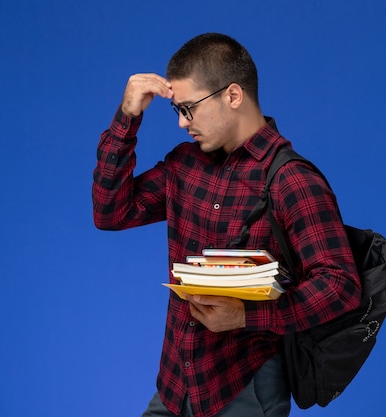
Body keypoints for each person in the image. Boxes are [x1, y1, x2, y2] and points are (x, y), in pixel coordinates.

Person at [92, 33, 361, 417]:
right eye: (177, 111)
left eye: (189, 108)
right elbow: (110, 212)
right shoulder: (185, 164)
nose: (183, 123)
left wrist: (246, 316)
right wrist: (127, 118)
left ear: (232, 96)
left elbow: (340, 285)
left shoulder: (291, 180)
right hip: (175, 384)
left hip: (244, 388)